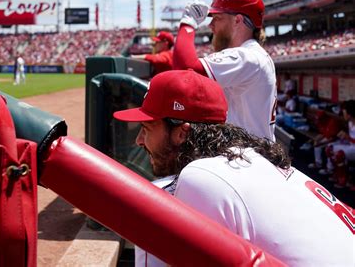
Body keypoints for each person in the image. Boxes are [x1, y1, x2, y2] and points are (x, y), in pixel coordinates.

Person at [113, 70, 353, 266]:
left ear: (181, 132)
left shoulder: (202, 176)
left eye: (146, 129)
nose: (139, 141)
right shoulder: (256, 160)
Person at [173, 0, 277, 141]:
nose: (210, 25)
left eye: (218, 17)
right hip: (252, 151)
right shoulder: (253, 54)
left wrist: (188, 22)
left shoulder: (247, 56)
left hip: (247, 156)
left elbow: (186, 68)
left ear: (238, 20)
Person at [322, 100, 355, 189]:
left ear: (350, 113)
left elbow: (351, 138)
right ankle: (337, 173)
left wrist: (347, 137)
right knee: (329, 148)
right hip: (351, 146)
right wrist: (343, 137)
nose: (344, 114)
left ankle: (343, 179)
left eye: (345, 112)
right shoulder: (350, 122)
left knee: (339, 154)